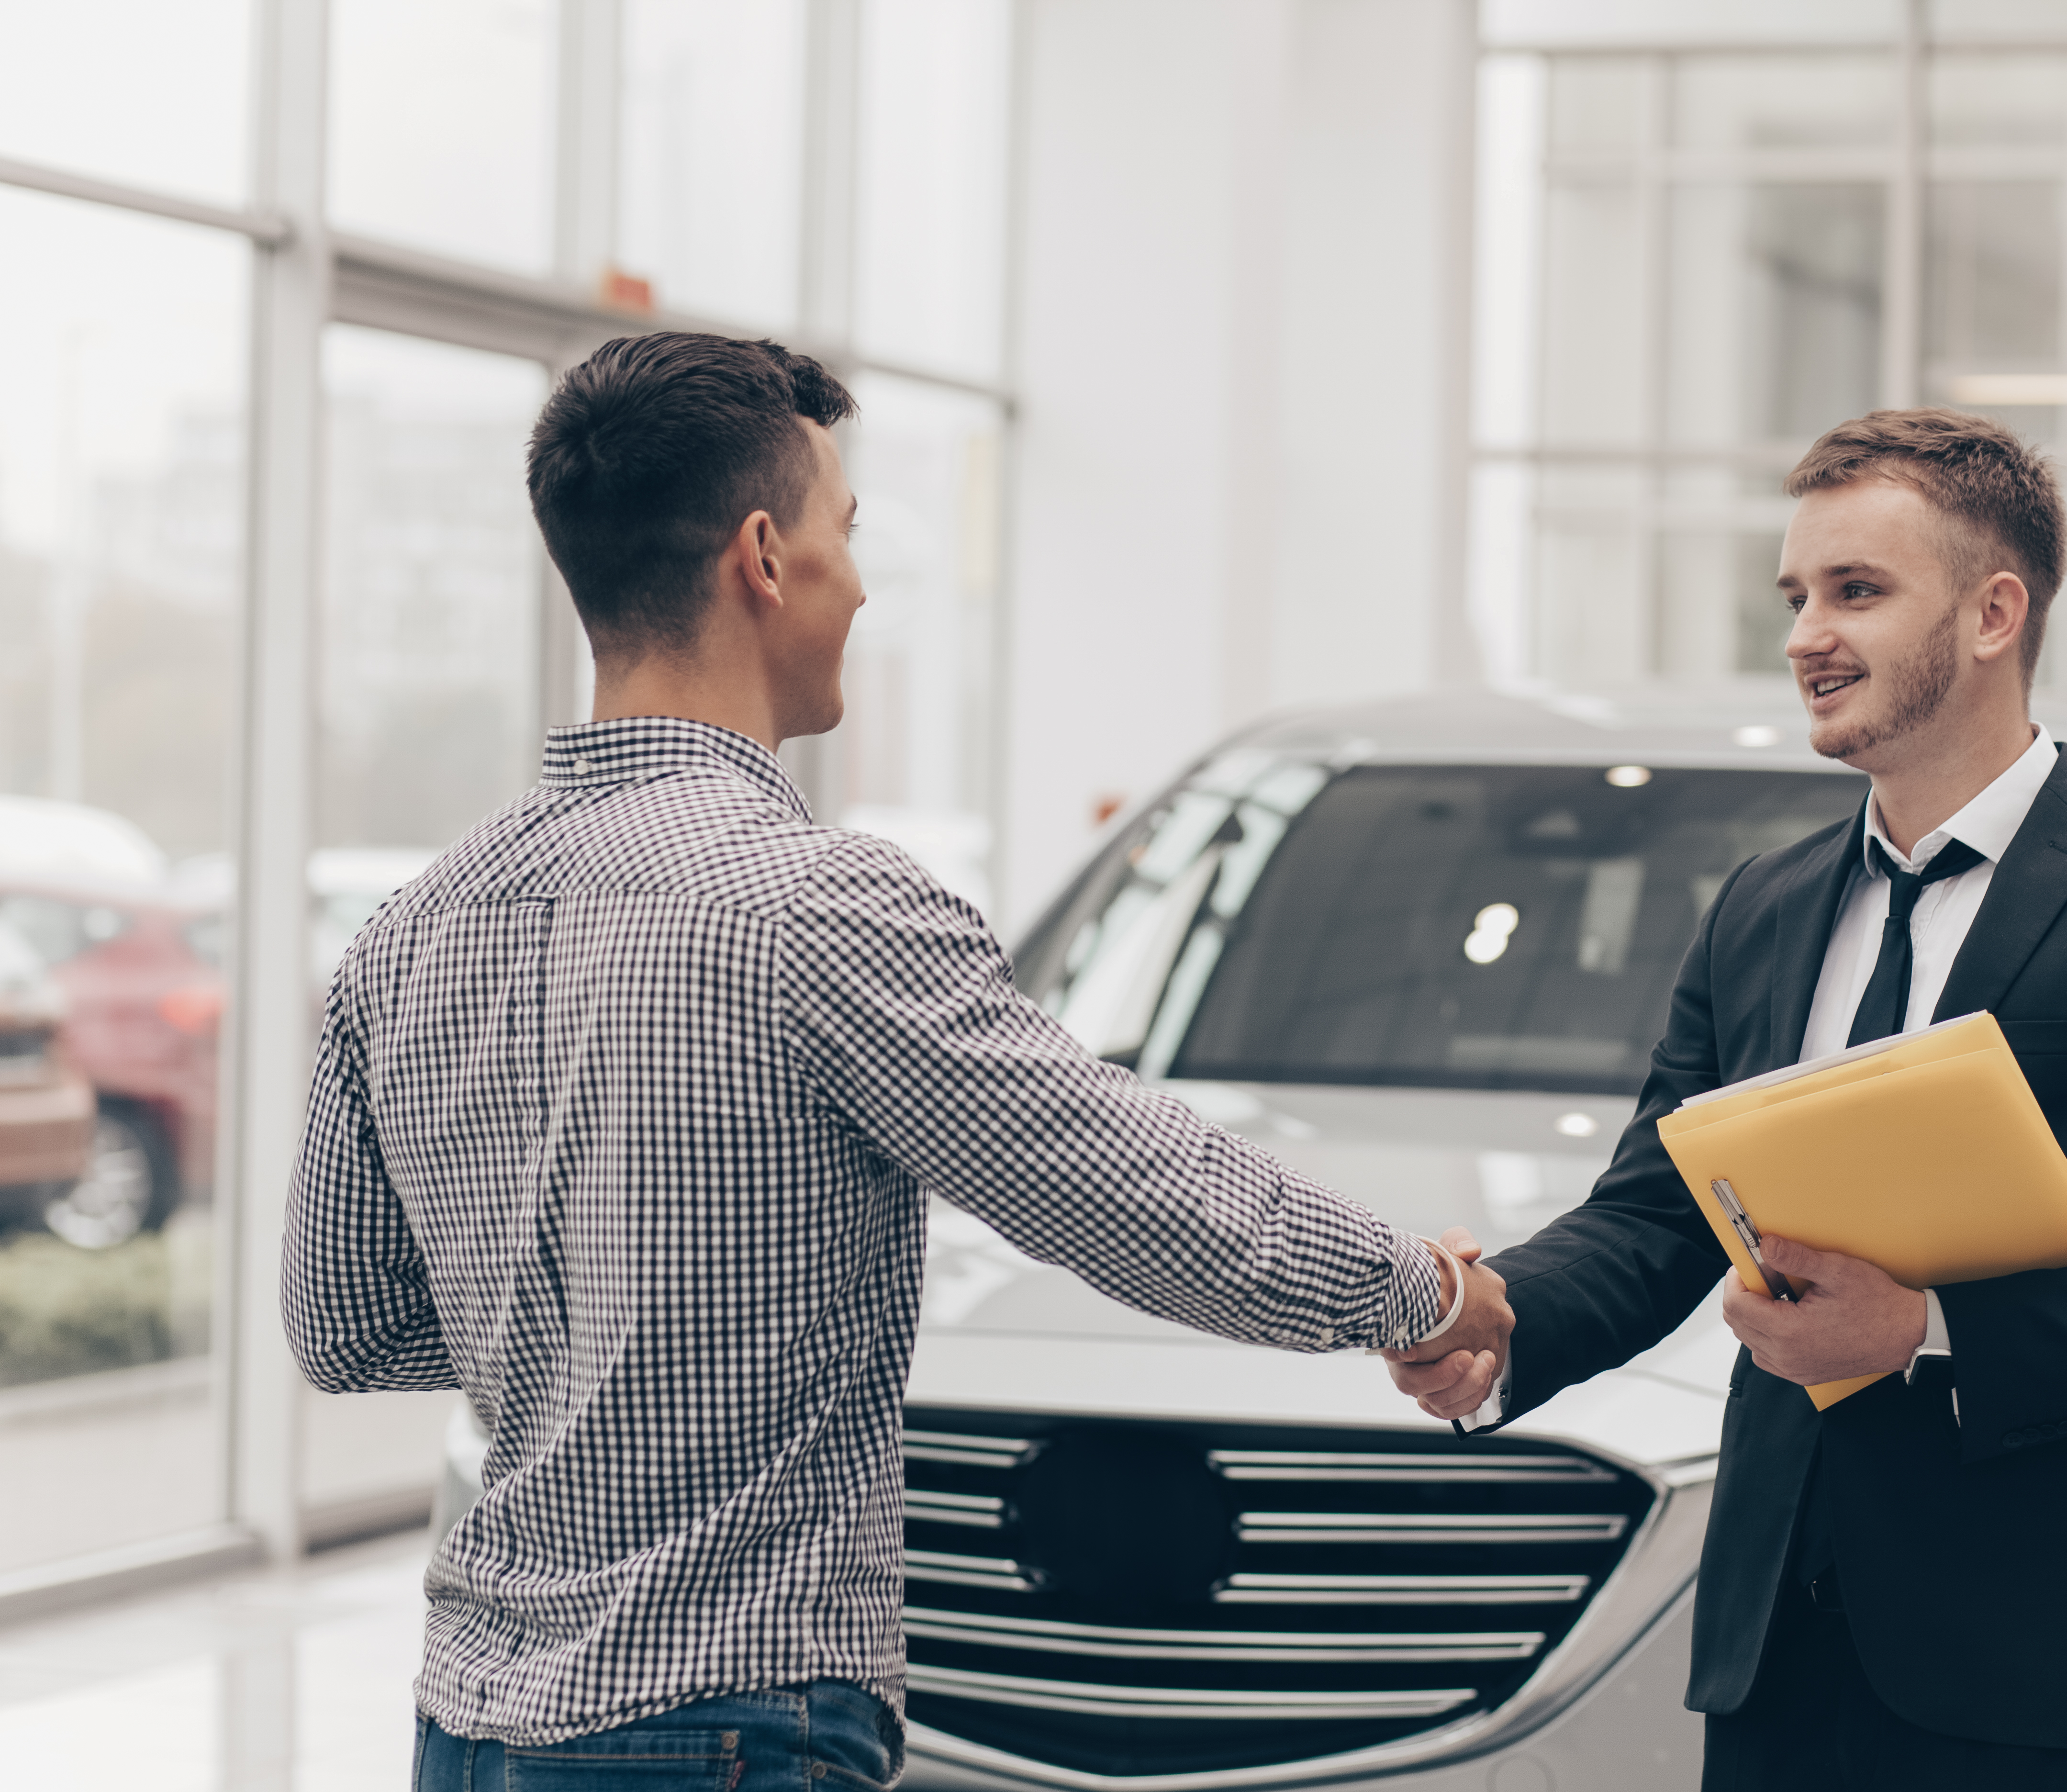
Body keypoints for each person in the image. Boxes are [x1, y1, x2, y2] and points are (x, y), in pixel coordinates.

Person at [278, 331, 1509, 1791]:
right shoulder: (818, 907)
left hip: (470, 1725)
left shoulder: (413, 928)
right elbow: (1118, 1183)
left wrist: (589, 1333)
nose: (861, 583)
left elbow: (344, 1328)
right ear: (764, 557)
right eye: (844, 533)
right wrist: (1421, 1291)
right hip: (713, 1717)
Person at [1384, 408, 2067, 1790]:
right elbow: (1658, 1211)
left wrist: (1932, 1330)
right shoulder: (1763, 909)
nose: (1804, 635)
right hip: (1776, 1658)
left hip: (2038, 1676)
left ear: (1996, 610)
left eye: (1856, 592)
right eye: (1796, 596)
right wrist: (1504, 1320)